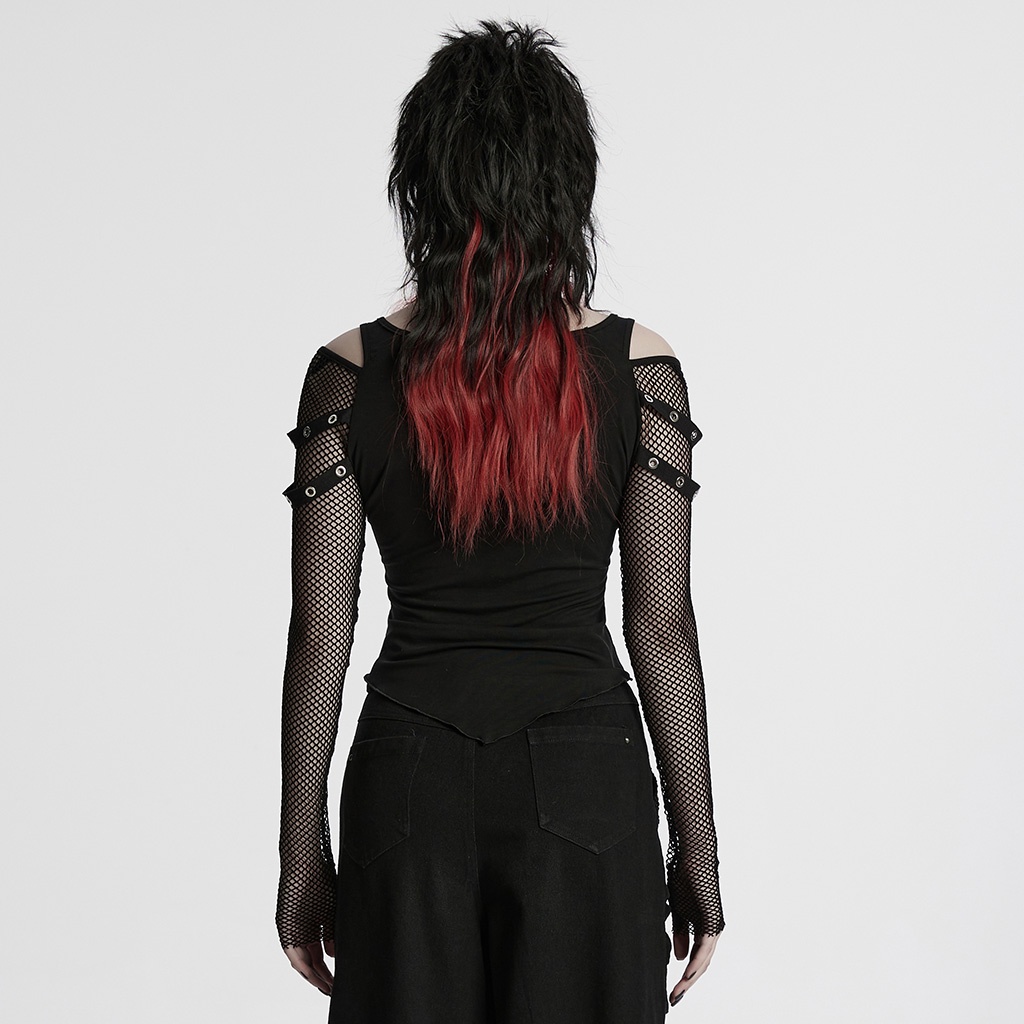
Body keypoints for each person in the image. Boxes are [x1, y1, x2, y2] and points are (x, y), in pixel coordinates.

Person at [274, 18, 725, 1023]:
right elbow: (661, 627)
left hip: (408, 783)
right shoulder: (639, 369)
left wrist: (300, 858)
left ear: (422, 184)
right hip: (587, 780)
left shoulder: (348, 372)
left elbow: (321, 632)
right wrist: (698, 852)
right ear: (566, 186)